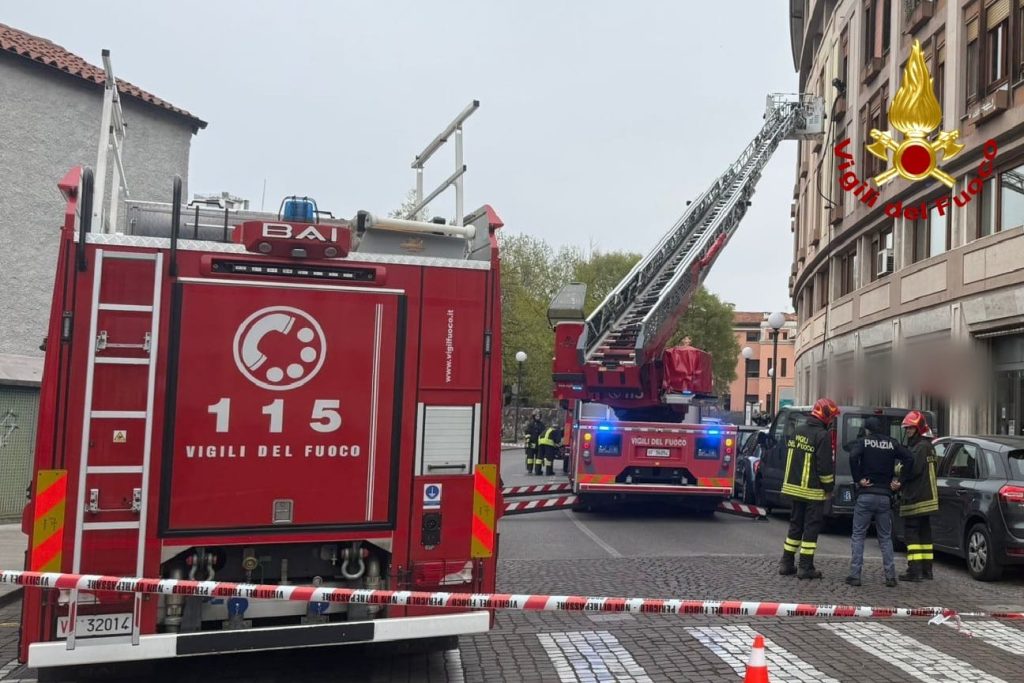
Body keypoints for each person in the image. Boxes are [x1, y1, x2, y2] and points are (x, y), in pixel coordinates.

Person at [845, 417, 914, 587]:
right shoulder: (891, 443)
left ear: (867, 430)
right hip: (885, 496)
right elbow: (909, 458)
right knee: (885, 538)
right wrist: (900, 481)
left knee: (858, 535)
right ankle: (890, 577)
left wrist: (858, 479)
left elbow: (853, 456)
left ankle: (855, 575)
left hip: (866, 495)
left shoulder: (864, 442)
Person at [779, 398, 838, 580]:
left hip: (794, 488)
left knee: (795, 525)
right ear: (825, 416)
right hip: (812, 490)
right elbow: (824, 466)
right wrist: (829, 488)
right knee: (811, 527)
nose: (832, 421)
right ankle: (805, 566)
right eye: (832, 417)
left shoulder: (797, 431)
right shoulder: (822, 435)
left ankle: (786, 562)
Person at [897, 410, 939, 582]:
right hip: (928, 497)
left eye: (911, 428)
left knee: (912, 534)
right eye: (906, 428)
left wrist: (899, 471)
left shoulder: (919, 447)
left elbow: (912, 470)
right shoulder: (929, 446)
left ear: (919, 429)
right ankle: (927, 570)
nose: (908, 431)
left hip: (916, 497)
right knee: (924, 534)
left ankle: (914, 571)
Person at [524, 410, 545, 475]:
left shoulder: (542, 425)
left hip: (539, 444)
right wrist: (528, 441)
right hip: (531, 444)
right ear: (534, 416)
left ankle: (538, 470)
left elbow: (544, 433)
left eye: (539, 416)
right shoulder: (530, 424)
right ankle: (529, 469)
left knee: (539, 459)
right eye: (536, 416)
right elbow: (527, 433)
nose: (538, 417)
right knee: (530, 458)